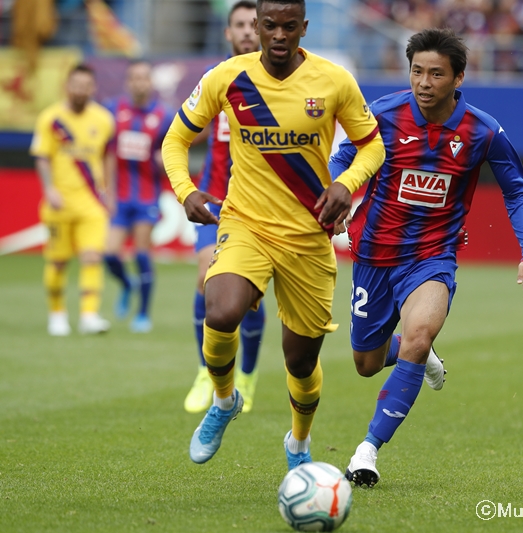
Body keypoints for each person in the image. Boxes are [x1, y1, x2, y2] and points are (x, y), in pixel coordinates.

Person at [161, 0, 385, 467]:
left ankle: (298, 442)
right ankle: (225, 400)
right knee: (221, 311)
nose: (279, 35)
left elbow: (372, 146)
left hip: (308, 237)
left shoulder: (334, 80)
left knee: (299, 362)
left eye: (289, 26)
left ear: (304, 27)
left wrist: (346, 184)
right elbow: (175, 139)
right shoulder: (227, 77)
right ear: (257, 28)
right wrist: (185, 191)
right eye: (270, 25)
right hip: (246, 224)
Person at [328, 28, 523, 487]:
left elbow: (518, 192)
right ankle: (417, 355)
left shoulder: (482, 131)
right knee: (366, 363)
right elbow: (340, 159)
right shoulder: (382, 115)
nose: (424, 83)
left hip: (432, 256)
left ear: (458, 78)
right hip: (374, 254)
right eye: (417, 72)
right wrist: (340, 194)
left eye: (436, 74)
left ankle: (367, 451)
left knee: (419, 333)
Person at [184, 0, 267, 416]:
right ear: (227, 33)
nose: (248, 30)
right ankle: (206, 372)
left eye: (254, 24)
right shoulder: (214, 79)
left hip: (260, 207)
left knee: (249, 295)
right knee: (206, 278)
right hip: (216, 200)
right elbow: (186, 130)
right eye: (240, 24)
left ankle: (247, 376)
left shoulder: (276, 82)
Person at [31, 64, 116, 336]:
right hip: (60, 202)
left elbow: (108, 155)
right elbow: (42, 157)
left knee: (92, 257)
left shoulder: (104, 119)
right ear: (67, 86)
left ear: (93, 88)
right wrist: (49, 189)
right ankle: (57, 314)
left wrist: (109, 191)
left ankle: (89, 315)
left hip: (92, 202)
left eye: (86, 86)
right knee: (58, 261)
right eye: (76, 85)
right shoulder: (51, 119)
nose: (80, 91)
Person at [103, 60, 172, 333]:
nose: (139, 82)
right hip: (120, 197)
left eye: (144, 77)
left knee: (142, 255)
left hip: (147, 198)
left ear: (151, 82)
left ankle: (143, 314)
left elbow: (175, 151)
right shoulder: (114, 110)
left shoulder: (164, 116)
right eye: (134, 78)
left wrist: (164, 161)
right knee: (109, 254)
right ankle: (126, 284)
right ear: (128, 82)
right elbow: (108, 153)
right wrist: (108, 191)